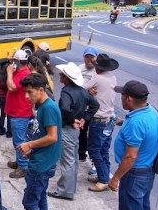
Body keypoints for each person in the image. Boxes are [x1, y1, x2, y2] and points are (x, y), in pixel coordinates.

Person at [103, 81, 158, 210]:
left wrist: (115, 178)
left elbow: (130, 156)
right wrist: (122, 121)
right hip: (147, 173)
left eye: (122, 96)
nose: (121, 99)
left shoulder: (136, 122)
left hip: (134, 174)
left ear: (129, 98)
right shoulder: (150, 111)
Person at [17, 73, 63, 210]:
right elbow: (42, 133)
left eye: (30, 92)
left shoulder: (49, 108)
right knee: (40, 197)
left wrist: (30, 145)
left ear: (41, 90)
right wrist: (32, 147)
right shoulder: (41, 106)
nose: (27, 96)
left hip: (42, 165)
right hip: (41, 160)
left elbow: (52, 137)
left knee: (29, 202)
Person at [48, 63, 100, 200]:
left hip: (67, 128)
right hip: (75, 130)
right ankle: (70, 188)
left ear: (66, 77)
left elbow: (65, 108)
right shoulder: (82, 91)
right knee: (73, 160)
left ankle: (65, 191)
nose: (60, 75)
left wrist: (72, 120)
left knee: (67, 161)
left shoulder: (66, 92)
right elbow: (95, 105)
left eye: (62, 74)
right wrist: (84, 119)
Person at [83, 53, 120, 192]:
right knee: (104, 149)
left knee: (94, 149)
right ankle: (103, 175)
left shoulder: (97, 78)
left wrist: (90, 93)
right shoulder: (112, 77)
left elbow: (82, 89)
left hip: (98, 119)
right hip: (109, 119)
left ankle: (103, 179)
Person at [6, 50, 33, 179]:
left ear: (17, 62)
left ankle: (23, 166)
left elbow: (11, 87)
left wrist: (9, 73)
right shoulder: (19, 72)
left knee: (19, 140)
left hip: (20, 112)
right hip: (15, 111)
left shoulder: (24, 74)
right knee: (16, 139)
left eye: (13, 61)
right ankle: (19, 161)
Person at [78, 46, 99, 162]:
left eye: (92, 57)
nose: (89, 60)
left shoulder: (99, 70)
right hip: (82, 106)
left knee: (94, 134)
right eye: (87, 57)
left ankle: (94, 160)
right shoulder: (79, 69)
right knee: (82, 130)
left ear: (97, 58)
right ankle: (82, 153)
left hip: (95, 108)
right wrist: (86, 90)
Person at [0, 62, 11, 137]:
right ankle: (9, 132)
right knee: (9, 115)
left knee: (2, 114)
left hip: (1, 98)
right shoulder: (10, 78)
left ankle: (1, 130)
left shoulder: (0, 78)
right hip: (8, 98)